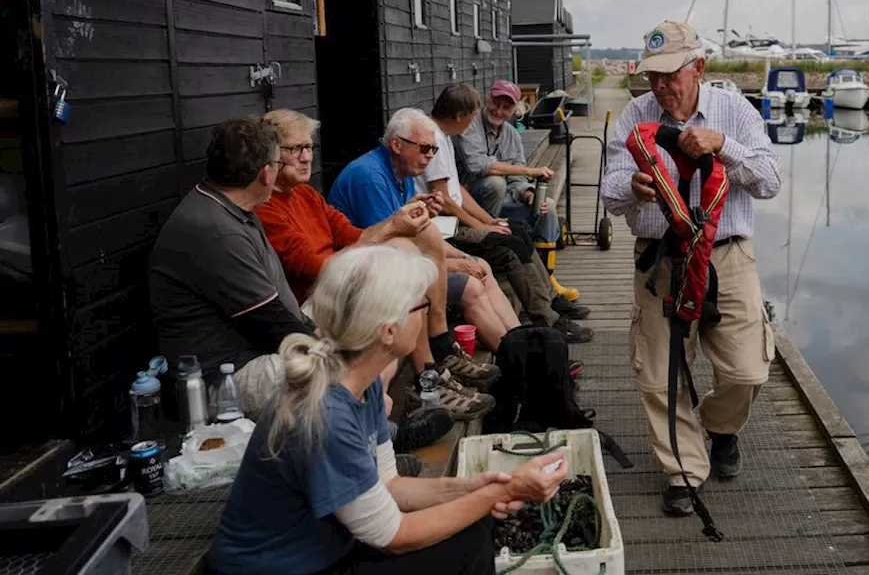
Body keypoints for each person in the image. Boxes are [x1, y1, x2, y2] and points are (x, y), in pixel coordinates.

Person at [207, 245, 568, 575]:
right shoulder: (326, 413)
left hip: (324, 549)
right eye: (420, 306)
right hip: (279, 569)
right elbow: (395, 535)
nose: (427, 312)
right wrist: (498, 494)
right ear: (389, 332)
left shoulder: (360, 386)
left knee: (471, 528)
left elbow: (390, 486)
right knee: (467, 543)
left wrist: (475, 488)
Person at [149, 117, 451, 456]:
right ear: (266, 173)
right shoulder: (217, 230)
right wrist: (338, 346)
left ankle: (381, 424)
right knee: (354, 358)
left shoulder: (232, 209)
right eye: (284, 159)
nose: (299, 161)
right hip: (227, 378)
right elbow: (273, 324)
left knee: (378, 318)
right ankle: (381, 443)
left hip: (263, 342)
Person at [601, 20, 782, 516]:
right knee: (659, 375)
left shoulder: (734, 111)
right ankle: (683, 471)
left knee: (748, 371)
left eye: (669, 75)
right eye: (651, 76)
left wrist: (722, 145)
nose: (659, 87)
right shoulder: (635, 115)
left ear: (698, 67)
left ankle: (720, 428)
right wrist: (631, 187)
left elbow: (769, 181)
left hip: (727, 253)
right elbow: (610, 188)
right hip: (661, 258)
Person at [257, 109, 510, 420]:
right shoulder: (269, 208)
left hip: (339, 282)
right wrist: (395, 227)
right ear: (270, 156)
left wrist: (401, 220)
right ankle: (433, 372)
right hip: (315, 304)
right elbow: (317, 268)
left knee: (419, 242)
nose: (306, 157)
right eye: (295, 149)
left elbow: (352, 234)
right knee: (407, 270)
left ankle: (441, 361)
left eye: (309, 147)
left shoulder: (306, 195)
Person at [399, 96, 594, 345]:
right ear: (460, 117)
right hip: (446, 229)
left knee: (517, 232)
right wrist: (481, 226)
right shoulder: (432, 140)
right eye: (471, 117)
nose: (472, 123)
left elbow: (457, 190)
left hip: (454, 222)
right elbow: (445, 200)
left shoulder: (441, 137)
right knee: (509, 245)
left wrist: (489, 220)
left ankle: (551, 300)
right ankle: (547, 320)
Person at [452, 80, 579, 301]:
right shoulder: (468, 126)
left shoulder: (511, 134)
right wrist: (529, 170)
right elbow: (478, 166)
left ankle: (548, 279)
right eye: (495, 103)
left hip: (502, 204)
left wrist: (528, 195)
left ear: (515, 109)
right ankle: (490, 250)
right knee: (495, 183)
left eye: (506, 107)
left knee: (546, 208)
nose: (499, 111)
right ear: (488, 98)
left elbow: (517, 180)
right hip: (468, 206)